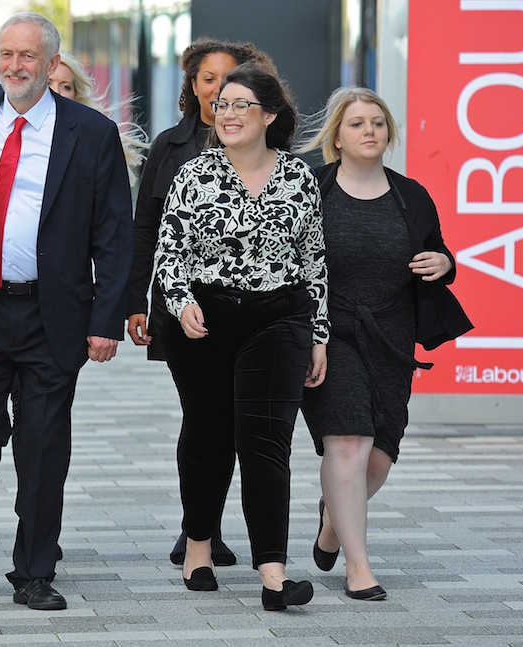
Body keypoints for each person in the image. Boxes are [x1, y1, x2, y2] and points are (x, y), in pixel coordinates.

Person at [0, 12, 132, 610]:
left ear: (51, 65)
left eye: (27, 57)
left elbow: (114, 234)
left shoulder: (90, 133)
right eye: (6, 54)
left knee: (44, 448)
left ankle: (35, 570)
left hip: (52, 316)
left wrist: (105, 321)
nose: (14, 67)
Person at [154, 64, 328, 610]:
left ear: (269, 115)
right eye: (221, 104)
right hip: (206, 321)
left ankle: (273, 575)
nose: (226, 114)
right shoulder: (194, 174)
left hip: (278, 318)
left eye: (240, 105)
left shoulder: (300, 177)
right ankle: (199, 546)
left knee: (267, 441)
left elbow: (314, 260)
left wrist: (318, 334)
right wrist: (181, 305)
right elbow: (169, 252)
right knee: (208, 436)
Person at [296, 87, 472, 601]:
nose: (369, 130)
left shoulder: (411, 194)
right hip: (330, 334)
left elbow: (437, 252)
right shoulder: (311, 189)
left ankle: (333, 517)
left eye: (377, 122)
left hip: (392, 340)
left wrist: (445, 264)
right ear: (337, 136)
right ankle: (359, 567)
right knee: (348, 441)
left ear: (389, 133)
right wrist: (307, 334)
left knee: (379, 458)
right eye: (356, 123)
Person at [126, 38, 277, 569]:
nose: (218, 89)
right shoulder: (171, 146)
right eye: (207, 78)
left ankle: (205, 529)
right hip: (183, 307)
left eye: (228, 79)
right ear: (193, 86)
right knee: (204, 415)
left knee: (236, 420)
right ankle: (199, 533)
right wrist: (135, 300)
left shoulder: (271, 146)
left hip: (256, 313)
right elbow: (146, 227)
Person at [47, 51, 148, 185]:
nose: (56, 92)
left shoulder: (93, 143)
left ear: (76, 96)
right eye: (48, 83)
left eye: (66, 87)